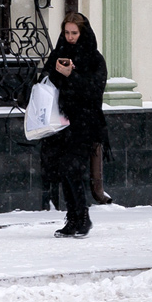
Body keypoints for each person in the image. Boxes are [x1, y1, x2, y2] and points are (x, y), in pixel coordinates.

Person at [40, 13, 108, 238]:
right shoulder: (59, 54)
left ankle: (83, 217)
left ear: (83, 33)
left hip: (84, 121)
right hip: (59, 120)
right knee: (62, 169)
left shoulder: (93, 58)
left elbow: (95, 89)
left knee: (73, 168)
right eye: (67, 33)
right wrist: (56, 73)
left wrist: (73, 75)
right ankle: (73, 218)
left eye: (74, 33)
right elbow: (47, 81)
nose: (70, 37)